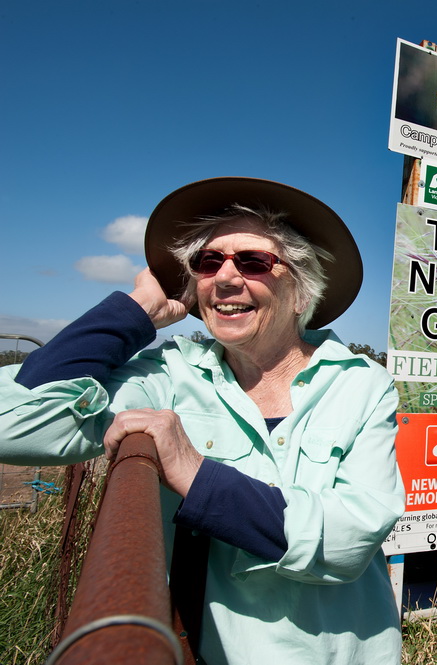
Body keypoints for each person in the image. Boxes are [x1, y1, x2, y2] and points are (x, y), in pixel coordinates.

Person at [0, 177, 406, 664]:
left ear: (302, 292)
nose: (226, 278)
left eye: (253, 262)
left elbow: (349, 537)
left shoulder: (360, 384)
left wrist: (197, 475)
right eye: (207, 262)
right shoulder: (169, 376)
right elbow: (14, 420)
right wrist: (136, 312)